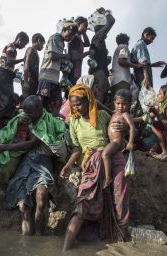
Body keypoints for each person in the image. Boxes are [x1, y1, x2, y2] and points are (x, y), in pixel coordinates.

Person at [60, 84, 129, 251]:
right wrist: (68, 166)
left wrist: (125, 127)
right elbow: (77, 149)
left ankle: (122, 242)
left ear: (89, 101)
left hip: (112, 157)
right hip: (91, 163)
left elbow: (118, 129)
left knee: (119, 197)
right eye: (73, 105)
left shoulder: (103, 115)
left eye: (80, 104)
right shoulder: (74, 122)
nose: (77, 108)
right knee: (83, 202)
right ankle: (65, 249)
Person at [0, 95, 65, 236]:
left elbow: (32, 143)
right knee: (24, 206)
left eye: (30, 113)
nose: (27, 115)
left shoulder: (46, 121)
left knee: (41, 198)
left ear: (39, 109)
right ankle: (29, 243)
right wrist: (17, 125)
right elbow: (6, 133)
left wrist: (3, 147)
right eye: (25, 112)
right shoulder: (23, 117)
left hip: (42, 162)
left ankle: (38, 237)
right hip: (27, 161)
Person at [0, 32, 29, 130]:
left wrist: (13, 72)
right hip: (2, 75)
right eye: (24, 44)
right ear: (20, 39)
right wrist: (23, 60)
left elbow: (9, 64)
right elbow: (9, 61)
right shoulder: (10, 47)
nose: (23, 46)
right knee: (5, 102)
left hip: (6, 76)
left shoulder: (13, 49)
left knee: (11, 103)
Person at [37, 20, 77, 116]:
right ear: (63, 30)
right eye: (69, 33)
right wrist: (65, 56)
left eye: (72, 36)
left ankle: (52, 121)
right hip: (46, 76)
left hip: (54, 78)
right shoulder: (55, 38)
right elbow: (52, 56)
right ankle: (33, 122)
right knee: (40, 100)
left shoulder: (62, 42)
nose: (70, 37)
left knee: (58, 101)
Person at [102, 89, 135, 188]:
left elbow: (132, 127)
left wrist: (130, 142)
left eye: (124, 104)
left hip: (117, 142)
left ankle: (108, 178)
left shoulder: (125, 114)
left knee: (105, 154)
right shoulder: (115, 113)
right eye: (118, 103)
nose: (121, 106)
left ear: (129, 104)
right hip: (113, 142)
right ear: (114, 103)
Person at [88, 7, 115, 104]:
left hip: (98, 72)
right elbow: (111, 21)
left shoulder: (98, 39)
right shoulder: (98, 35)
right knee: (98, 102)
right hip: (99, 74)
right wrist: (105, 12)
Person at [110, 33, 144, 103]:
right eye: (128, 42)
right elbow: (121, 61)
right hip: (122, 80)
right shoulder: (124, 47)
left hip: (115, 81)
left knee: (115, 104)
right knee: (123, 103)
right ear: (126, 41)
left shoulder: (118, 48)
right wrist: (136, 66)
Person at [68, 17, 94, 86]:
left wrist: (84, 33)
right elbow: (75, 57)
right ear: (78, 25)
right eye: (85, 25)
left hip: (76, 72)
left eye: (87, 26)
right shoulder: (75, 38)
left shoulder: (78, 37)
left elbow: (87, 44)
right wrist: (88, 53)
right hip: (73, 72)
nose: (86, 27)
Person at [21, 33, 45, 101]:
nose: (43, 47)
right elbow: (26, 64)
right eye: (42, 44)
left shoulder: (35, 51)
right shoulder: (31, 49)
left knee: (32, 102)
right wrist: (25, 82)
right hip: (29, 80)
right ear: (39, 40)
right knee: (28, 102)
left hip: (33, 81)